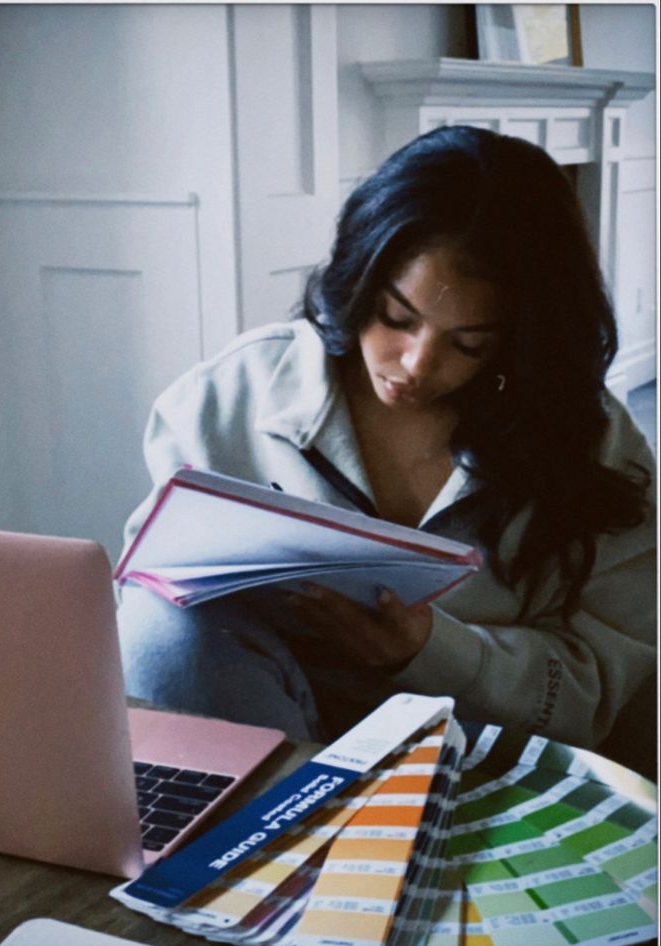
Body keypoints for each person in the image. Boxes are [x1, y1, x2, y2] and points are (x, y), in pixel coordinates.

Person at [117, 125, 655, 756]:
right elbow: (156, 596)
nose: (416, 366)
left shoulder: (590, 442)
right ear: (360, 278)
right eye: (396, 318)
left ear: (519, 337)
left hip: (469, 735)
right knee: (156, 630)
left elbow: (602, 686)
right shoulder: (225, 400)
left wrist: (435, 649)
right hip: (260, 715)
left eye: (469, 343)